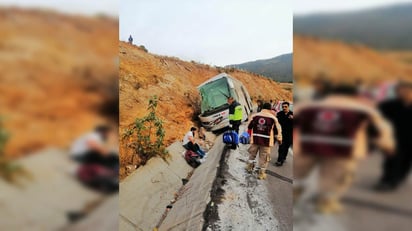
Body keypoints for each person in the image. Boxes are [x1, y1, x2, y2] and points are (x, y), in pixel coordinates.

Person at [293, 85, 394, 213]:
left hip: (308, 146)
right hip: (342, 150)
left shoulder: (307, 107)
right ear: (355, 96)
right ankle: (325, 204)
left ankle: (295, 194)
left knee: (299, 173)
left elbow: (294, 122)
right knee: (334, 178)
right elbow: (381, 130)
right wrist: (387, 146)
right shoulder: (363, 110)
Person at [374, 81, 412, 191]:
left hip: (410, 140)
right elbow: (378, 119)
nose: (401, 93)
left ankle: (399, 177)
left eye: (405, 90)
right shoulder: (388, 105)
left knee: (406, 160)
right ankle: (388, 181)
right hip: (393, 138)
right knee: (392, 159)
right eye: (398, 90)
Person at [246, 103, 282, 180]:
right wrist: (279, 139)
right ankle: (261, 174)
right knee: (264, 158)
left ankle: (249, 167)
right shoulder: (273, 118)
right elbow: (277, 131)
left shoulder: (255, 116)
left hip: (255, 139)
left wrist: (250, 135)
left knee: (252, 154)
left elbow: (249, 126)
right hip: (266, 142)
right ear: (270, 109)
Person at [275, 101, 293, 166]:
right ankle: (279, 160)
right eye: (283, 107)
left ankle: (284, 157)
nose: (284, 108)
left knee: (286, 147)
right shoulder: (279, 114)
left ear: (288, 107)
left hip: (289, 135)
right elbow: (276, 124)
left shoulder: (292, 114)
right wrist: (276, 133)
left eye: (286, 107)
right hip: (281, 134)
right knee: (281, 147)